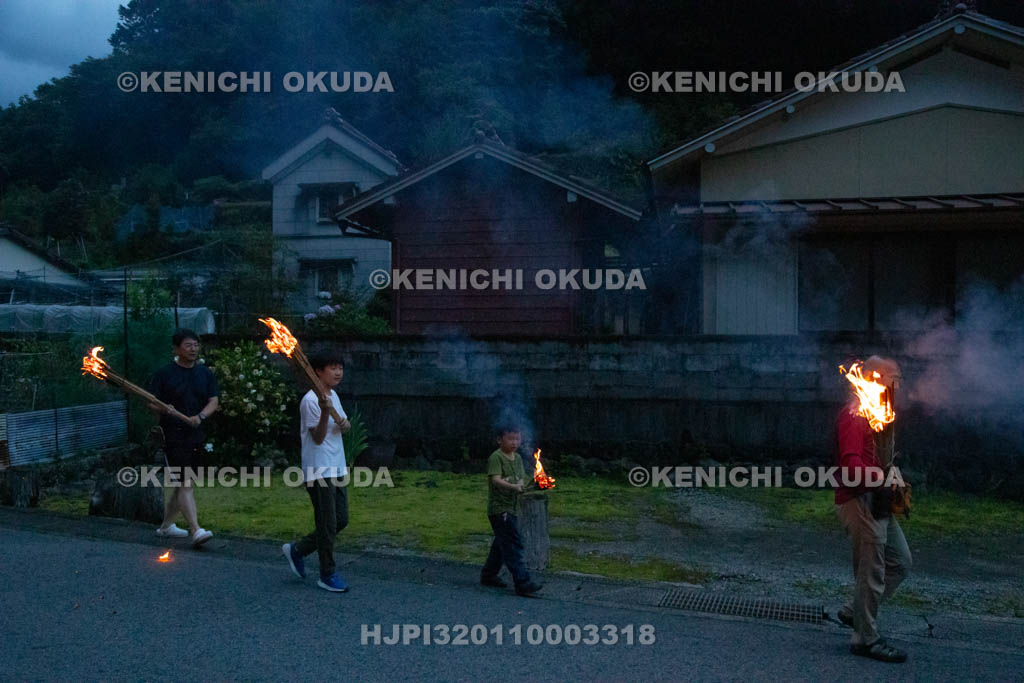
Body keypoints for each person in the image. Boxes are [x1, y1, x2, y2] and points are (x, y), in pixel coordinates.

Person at [834, 355, 912, 663]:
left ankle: (855, 612)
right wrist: (885, 479)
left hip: (876, 498)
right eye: (896, 377)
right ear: (877, 378)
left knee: (900, 561)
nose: (900, 383)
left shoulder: (879, 409)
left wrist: (889, 480)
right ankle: (865, 638)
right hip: (859, 501)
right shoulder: (855, 413)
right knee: (872, 571)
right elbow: (851, 465)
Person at [282, 351, 352, 592]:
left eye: (340, 367)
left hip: (337, 466)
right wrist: (325, 411)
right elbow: (319, 437)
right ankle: (327, 573)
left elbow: (344, 424)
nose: (338, 372)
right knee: (327, 523)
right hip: (318, 469)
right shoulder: (311, 401)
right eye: (332, 367)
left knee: (341, 519)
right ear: (318, 372)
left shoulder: (333, 395)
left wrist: (344, 424)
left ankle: (298, 550)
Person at [148, 329, 220, 547]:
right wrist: (165, 410)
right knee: (185, 482)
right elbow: (151, 402)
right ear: (176, 348)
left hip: (196, 434)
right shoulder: (164, 373)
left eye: (196, 345)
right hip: (172, 436)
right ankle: (196, 529)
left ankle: (166, 527)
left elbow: (214, 400)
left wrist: (201, 416)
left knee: (183, 484)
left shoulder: (204, 373)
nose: (193, 349)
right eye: (188, 345)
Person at [480, 426, 543, 597]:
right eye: (510, 439)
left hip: (512, 506)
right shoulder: (496, 457)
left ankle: (488, 575)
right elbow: (495, 480)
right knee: (513, 543)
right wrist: (514, 486)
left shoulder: (518, 459)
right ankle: (522, 581)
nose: (514, 442)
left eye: (517, 439)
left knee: (502, 543)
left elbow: (521, 477)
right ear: (500, 440)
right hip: (500, 509)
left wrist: (521, 485)